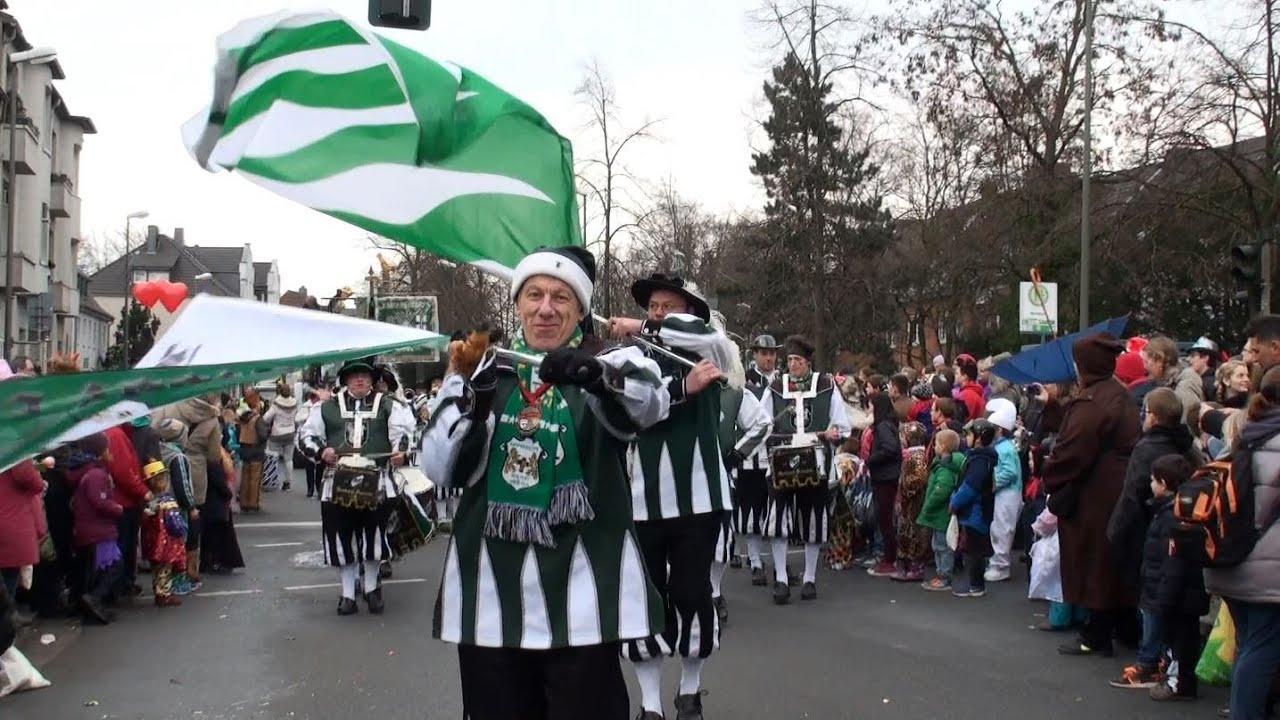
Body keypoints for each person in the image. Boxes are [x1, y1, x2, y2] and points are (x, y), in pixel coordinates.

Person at [420, 246, 668, 720]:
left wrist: (596, 377)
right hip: (491, 595)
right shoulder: (480, 368)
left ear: (580, 309)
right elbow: (438, 468)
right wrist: (473, 398)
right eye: (534, 294)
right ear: (517, 305)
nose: (546, 308)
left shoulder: (610, 359)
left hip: (583, 595)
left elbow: (650, 402)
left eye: (561, 297)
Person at [609, 272, 738, 720]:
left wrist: (644, 328)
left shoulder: (711, 346)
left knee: (691, 591)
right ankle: (649, 703)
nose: (658, 312)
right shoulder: (632, 355)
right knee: (646, 596)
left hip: (699, 498)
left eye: (668, 305)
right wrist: (681, 389)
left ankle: (690, 688)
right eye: (653, 307)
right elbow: (629, 402)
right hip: (643, 498)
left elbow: (704, 338)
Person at [1043, 332, 1140, 657]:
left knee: (1096, 561)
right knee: (1114, 561)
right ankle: (1125, 627)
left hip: (1096, 493)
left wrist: (1051, 474)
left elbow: (1072, 450)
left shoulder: (1094, 402)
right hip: (1117, 487)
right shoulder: (1119, 394)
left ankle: (1096, 633)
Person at [299, 356, 414, 615]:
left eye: (365, 375)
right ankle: (347, 594)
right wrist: (322, 452)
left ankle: (372, 590)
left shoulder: (389, 405)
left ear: (373, 379)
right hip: (337, 483)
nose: (360, 379)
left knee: (374, 537)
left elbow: (404, 435)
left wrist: (400, 452)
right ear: (346, 380)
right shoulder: (326, 408)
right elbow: (306, 436)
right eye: (354, 375)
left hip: (377, 482)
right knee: (341, 537)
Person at [1205, 366, 1280, 720]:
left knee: (1251, 646)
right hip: (1268, 570)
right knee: (1262, 650)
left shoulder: (1242, 438)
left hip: (1231, 559)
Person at [758, 334, 852, 602]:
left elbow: (841, 424)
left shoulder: (825, 385)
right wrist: (769, 438)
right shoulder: (776, 386)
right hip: (781, 462)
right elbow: (761, 422)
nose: (793, 364)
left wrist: (834, 434)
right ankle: (781, 579)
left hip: (816, 461)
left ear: (807, 361)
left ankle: (809, 578)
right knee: (778, 519)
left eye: (797, 360)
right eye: (789, 360)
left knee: (813, 517)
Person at [1107, 388, 1202, 612]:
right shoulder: (1187, 445)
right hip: (1178, 523)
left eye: (1146, 411)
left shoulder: (1147, 447)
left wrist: (1115, 531)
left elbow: (1132, 494)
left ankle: (1147, 642)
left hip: (1147, 527)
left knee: (1147, 592)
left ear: (1154, 417)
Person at [710, 340, 771, 623]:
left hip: (718, 474)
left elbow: (762, 423)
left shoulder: (731, 392)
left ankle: (713, 591)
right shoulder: (672, 384)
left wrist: (736, 455)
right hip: (677, 474)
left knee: (720, 537)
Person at [737, 334, 782, 581]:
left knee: (776, 512)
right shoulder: (744, 380)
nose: (768, 357)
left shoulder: (783, 381)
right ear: (754, 354)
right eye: (764, 353)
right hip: (752, 456)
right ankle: (755, 562)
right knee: (751, 511)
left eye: (772, 353)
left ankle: (780, 566)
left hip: (777, 456)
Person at [67, 433, 122, 625]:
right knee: (113, 567)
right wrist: (118, 508)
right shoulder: (96, 475)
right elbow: (100, 502)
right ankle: (94, 598)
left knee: (96, 570)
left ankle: (91, 605)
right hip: (99, 530)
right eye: (107, 448)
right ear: (100, 452)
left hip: (90, 529)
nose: (110, 452)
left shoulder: (88, 472)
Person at [950, 419, 998, 597]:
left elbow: (970, 487)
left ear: (979, 438)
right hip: (977, 509)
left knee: (975, 549)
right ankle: (976, 584)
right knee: (973, 547)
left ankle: (976, 585)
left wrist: (955, 502)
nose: (966, 437)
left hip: (976, 510)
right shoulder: (978, 457)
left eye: (970, 434)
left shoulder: (980, 460)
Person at [918, 429, 964, 591]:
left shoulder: (945, 468)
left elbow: (941, 490)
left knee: (942, 546)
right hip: (941, 514)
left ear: (943, 447)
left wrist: (928, 505)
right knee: (938, 544)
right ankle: (941, 574)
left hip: (941, 514)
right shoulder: (944, 464)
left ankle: (944, 576)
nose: (934, 446)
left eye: (936, 443)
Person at [984, 398, 1024, 582]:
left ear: (999, 429)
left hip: (1008, 493)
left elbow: (1009, 472)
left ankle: (1001, 565)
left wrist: (992, 482)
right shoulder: (1001, 446)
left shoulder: (1005, 449)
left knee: (1003, 529)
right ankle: (997, 561)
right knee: (998, 527)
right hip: (1004, 493)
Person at [139, 460, 187, 608]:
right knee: (166, 569)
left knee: (157, 568)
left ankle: (158, 590)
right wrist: (182, 530)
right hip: (167, 541)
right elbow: (174, 521)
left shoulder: (151, 502)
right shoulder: (168, 501)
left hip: (153, 541)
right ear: (162, 482)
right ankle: (164, 594)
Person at [865, 393, 902, 577]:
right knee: (885, 519)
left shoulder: (883, 427)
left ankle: (890, 559)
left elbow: (889, 448)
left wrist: (871, 460)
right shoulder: (887, 424)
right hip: (886, 475)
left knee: (885, 519)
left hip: (885, 477)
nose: (868, 410)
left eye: (871, 406)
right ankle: (889, 557)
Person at [891, 421, 931, 582]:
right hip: (908, 504)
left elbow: (919, 478)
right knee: (905, 533)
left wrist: (906, 489)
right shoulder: (912, 455)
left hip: (914, 504)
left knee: (915, 534)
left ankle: (915, 567)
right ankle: (906, 565)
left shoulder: (917, 457)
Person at [236, 389, 268, 511]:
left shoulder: (243, 418)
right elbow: (262, 435)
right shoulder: (257, 418)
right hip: (256, 449)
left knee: (245, 476)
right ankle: (254, 502)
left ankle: (244, 501)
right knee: (255, 478)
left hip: (245, 448)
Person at [263, 382, 299, 492]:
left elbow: (266, 418)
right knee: (289, 459)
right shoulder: (294, 404)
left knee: (273, 457)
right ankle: (288, 483)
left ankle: (272, 480)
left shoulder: (276, 404)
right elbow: (296, 418)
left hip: (277, 434)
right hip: (290, 433)